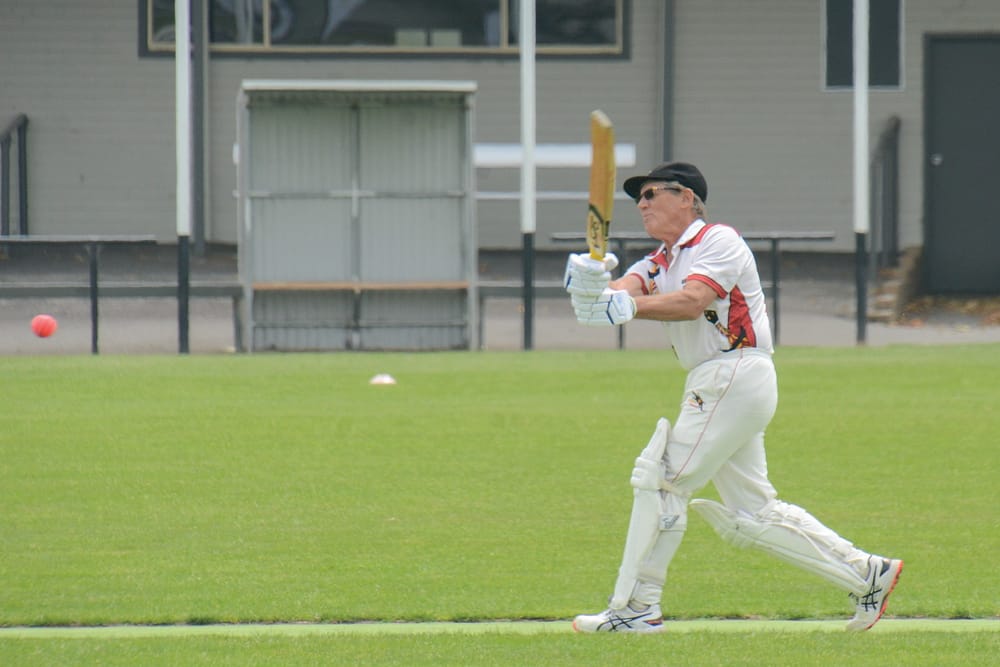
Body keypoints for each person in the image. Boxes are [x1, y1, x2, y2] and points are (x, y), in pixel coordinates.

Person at [563, 162, 902, 633]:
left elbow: (691, 301)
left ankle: (637, 607)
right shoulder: (660, 259)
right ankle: (867, 572)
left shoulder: (717, 240)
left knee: (662, 483)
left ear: (686, 198)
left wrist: (623, 305)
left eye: (651, 193)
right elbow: (620, 293)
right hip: (720, 380)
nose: (641, 203)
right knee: (753, 512)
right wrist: (590, 283)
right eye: (637, 197)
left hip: (734, 371)